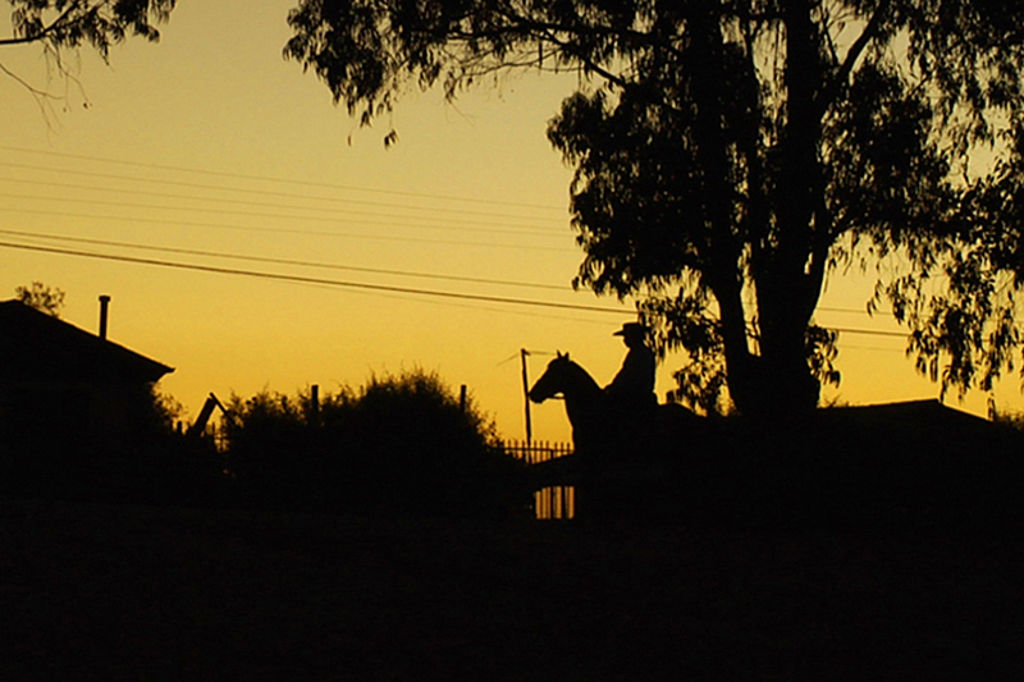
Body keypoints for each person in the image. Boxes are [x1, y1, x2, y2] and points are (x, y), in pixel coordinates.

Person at [604, 322, 657, 411]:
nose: (625, 340)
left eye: (626, 337)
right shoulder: (640, 352)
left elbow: (628, 375)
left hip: (636, 394)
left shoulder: (640, 353)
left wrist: (614, 387)